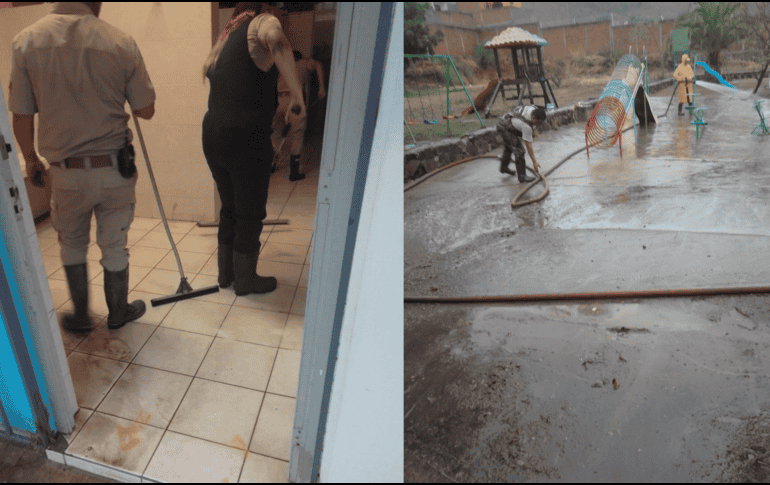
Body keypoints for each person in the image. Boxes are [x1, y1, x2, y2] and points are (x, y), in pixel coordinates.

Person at [9, 2, 155, 333]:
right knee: (114, 243)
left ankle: (80, 316)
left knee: (71, 242)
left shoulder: (26, 41)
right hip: (114, 170)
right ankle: (118, 311)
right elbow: (146, 109)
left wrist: (31, 159)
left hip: (65, 173)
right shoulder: (120, 41)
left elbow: (20, 115)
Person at [202, 2, 306, 296]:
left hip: (212, 134)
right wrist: (298, 96)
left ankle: (226, 275)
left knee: (229, 208)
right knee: (249, 213)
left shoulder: (226, 36)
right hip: (245, 137)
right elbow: (278, 42)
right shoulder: (262, 22)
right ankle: (245, 281)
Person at [271, 50, 326, 181]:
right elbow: (318, 65)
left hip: (279, 101)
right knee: (297, 134)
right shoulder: (303, 63)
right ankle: (294, 173)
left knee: (275, 134)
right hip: (295, 102)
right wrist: (321, 88)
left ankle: (270, 165)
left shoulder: (281, 65)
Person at [496, 104, 546, 183]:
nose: (539, 125)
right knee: (519, 150)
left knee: (510, 147)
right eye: (538, 123)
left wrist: (534, 131)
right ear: (533, 118)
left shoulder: (534, 109)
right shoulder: (526, 126)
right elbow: (529, 146)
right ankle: (522, 176)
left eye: (541, 123)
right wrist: (534, 162)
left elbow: (532, 122)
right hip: (505, 127)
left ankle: (503, 167)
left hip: (507, 121)